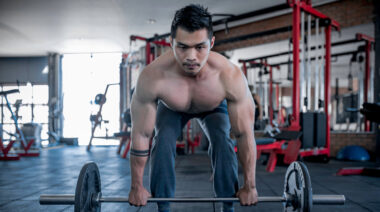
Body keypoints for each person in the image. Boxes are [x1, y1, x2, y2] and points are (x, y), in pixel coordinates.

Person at [128, 4, 258, 212]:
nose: (191, 56)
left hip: (214, 108)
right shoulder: (153, 77)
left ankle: (227, 206)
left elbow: (244, 135)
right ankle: (163, 207)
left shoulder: (229, 76)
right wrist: (137, 186)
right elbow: (142, 135)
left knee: (223, 141)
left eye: (199, 47)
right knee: (162, 141)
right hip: (172, 107)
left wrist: (249, 186)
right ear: (171, 43)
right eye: (182, 47)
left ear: (212, 43)